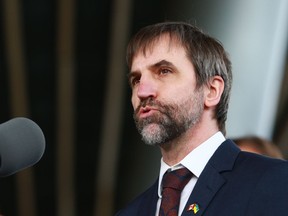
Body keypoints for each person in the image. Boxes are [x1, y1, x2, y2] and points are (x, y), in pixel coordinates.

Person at [116, 21, 288, 216]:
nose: (142, 91)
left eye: (164, 71)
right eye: (136, 79)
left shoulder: (276, 181)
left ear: (212, 91)